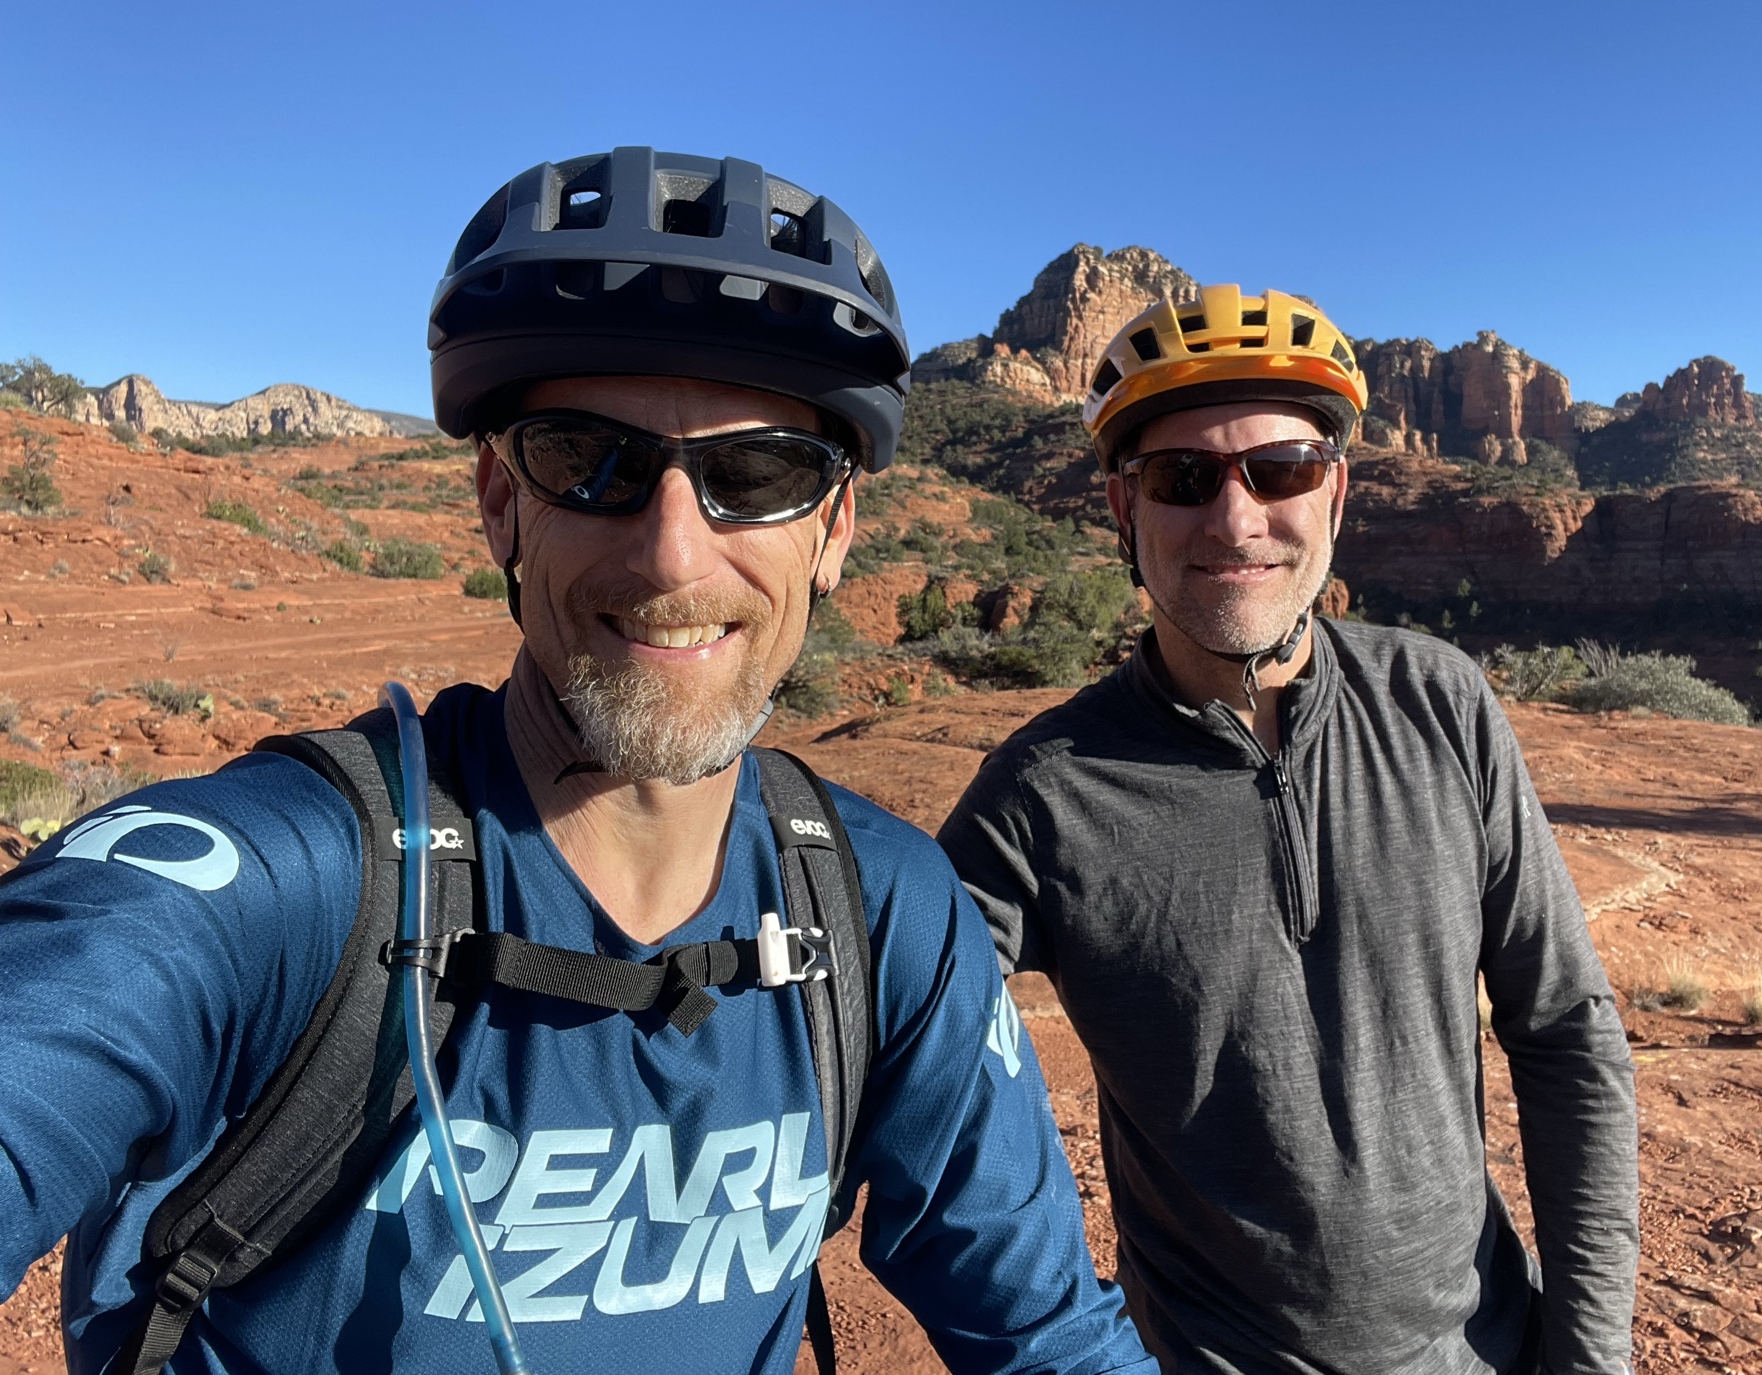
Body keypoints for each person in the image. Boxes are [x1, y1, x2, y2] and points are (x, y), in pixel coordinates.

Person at [0, 148, 1157, 1375]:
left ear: (834, 529)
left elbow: (1049, 1342)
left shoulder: (883, 912)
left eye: (757, 472)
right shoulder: (277, 886)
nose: (671, 555)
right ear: (501, 501)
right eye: (585, 460)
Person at [938, 285, 1639, 1375]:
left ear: (1336, 494)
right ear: (1123, 509)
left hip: (1486, 1351)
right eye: (1182, 478)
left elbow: (1564, 1033)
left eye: (1282, 470)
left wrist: (1588, 1356)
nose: (1235, 520)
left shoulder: (1440, 703)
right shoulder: (1043, 792)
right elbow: (911, 1073)